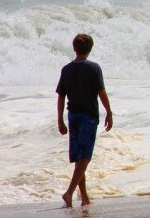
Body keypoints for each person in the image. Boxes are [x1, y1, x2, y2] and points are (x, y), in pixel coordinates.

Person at [55, 33, 113, 208]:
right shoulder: (94, 68)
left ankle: (85, 198)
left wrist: (60, 119)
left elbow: (61, 97)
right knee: (85, 157)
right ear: (90, 49)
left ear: (74, 48)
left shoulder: (66, 69)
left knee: (80, 158)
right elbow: (101, 92)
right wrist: (109, 112)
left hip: (73, 116)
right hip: (88, 116)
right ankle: (70, 192)